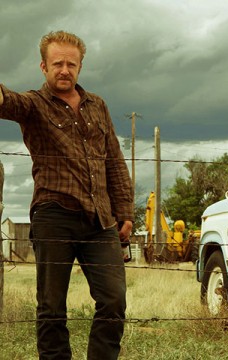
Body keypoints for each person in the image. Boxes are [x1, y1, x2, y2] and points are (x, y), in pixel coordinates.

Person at [0, 31, 133, 360]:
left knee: (114, 300)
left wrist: (125, 212)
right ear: (43, 66)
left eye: (71, 64)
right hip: (54, 216)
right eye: (57, 63)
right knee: (51, 305)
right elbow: (7, 101)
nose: (64, 70)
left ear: (80, 67)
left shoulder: (97, 105)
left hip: (101, 220)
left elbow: (114, 161)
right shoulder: (34, 104)